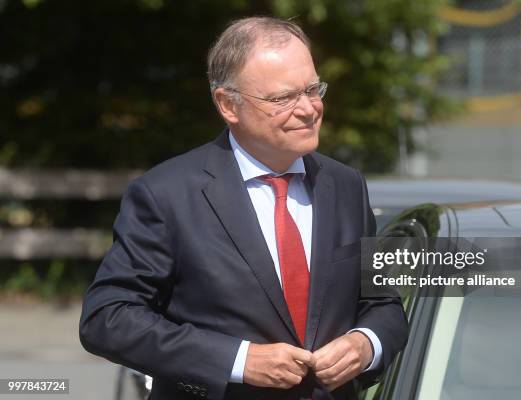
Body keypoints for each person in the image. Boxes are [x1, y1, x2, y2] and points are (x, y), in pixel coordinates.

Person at [79, 16, 408, 400]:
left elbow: (383, 305)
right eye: (283, 98)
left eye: (313, 89)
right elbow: (108, 318)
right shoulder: (167, 193)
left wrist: (365, 344)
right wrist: (238, 360)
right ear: (228, 105)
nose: (308, 109)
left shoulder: (347, 186)